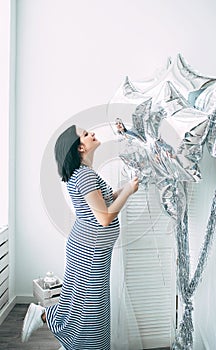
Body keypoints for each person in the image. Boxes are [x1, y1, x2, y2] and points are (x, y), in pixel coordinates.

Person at [21, 124, 139, 350]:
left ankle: (64, 333)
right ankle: (68, 334)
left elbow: (104, 201)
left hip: (90, 248)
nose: (92, 134)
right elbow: (104, 217)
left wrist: (124, 188)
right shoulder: (84, 175)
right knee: (90, 305)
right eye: (86, 135)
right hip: (90, 250)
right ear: (79, 149)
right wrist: (128, 192)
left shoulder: (86, 173)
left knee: (82, 301)